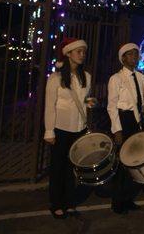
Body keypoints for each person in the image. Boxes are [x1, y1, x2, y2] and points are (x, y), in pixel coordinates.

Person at [44, 38, 91, 219]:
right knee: (58, 167)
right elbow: (50, 106)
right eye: (78, 51)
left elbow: (83, 100)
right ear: (68, 53)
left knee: (73, 168)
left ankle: (70, 202)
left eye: (83, 52)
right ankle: (56, 203)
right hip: (60, 128)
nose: (81, 55)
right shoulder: (55, 78)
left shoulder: (86, 76)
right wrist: (49, 131)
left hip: (78, 127)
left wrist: (89, 102)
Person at [107, 43, 144, 214]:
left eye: (136, 54)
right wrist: (117, 129)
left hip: (136, 120)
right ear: (123, 58)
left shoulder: (141, 77)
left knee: (134, 162)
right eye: (130, 55)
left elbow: (143, 101)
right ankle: (118, 201)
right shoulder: (116, 78)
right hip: (124, 119)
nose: (134, 57)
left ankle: (128, 198)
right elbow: (111, 106)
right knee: (122, 163)